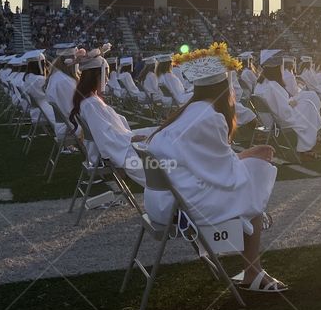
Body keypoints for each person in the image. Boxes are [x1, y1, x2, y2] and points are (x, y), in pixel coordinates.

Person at [143, 43, 286, 292]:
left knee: (251, 173)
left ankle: (251, 243)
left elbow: (212, 164)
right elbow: (226, 173)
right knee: (254, 179)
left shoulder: (190, 110)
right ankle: (253, 270)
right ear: (225, 85)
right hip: (178, 207)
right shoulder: (209, 116)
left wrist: (246, 157)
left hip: (161, 200)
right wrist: (254, 155)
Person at [70, 45, 154, 185]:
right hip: (119, 147)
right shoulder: (91, 103)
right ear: (97, 76)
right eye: (106, 76)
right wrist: (131, 138)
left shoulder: (89, 99)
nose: (107, 80)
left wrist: (129, 136)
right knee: (158, 144)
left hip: (121, 140)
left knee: (157, 131)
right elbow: (104, 135)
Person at [254, 56, 321, 156]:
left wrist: (290, 102)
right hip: (281, 120)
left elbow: (278, 104)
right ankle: (306, 145)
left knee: (307, 98)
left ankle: (314, 136)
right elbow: (284, 111)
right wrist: (291, 104)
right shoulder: (273, 85)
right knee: (309, 105)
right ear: (277, 68)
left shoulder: (260, 84)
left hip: (268, 120)